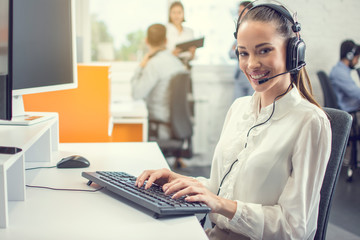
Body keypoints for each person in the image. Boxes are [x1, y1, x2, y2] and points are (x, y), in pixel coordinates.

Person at [136, 3, 332, 239]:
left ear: (293, 52)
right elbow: (222, 189)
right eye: (243, 53)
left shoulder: (310, 122)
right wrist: (182, 181)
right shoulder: (239, 109)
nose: (251, 65)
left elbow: (294, 229)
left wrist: (220, 204)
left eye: (264, 50)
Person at [131, 23, 186, 139]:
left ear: (147, 41)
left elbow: (136, 94)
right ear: (166, 41)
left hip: (159, 127)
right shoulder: (177, 62)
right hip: (176, 126)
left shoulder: (153, 65)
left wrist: (141, 66)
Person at [229, 1, 254, 100]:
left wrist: (239, 50)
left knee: (252, 105)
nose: (239, 15)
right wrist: (241, 51)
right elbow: (230, 53)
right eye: (239, 12)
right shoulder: (239, 30)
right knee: (237, 105)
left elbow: (251, 52)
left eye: (242, 12)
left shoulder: (256, 30)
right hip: (239, 75)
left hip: (252, 74)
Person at [329, 39, 360, 112]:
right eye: (357, 58)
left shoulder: (340, 70)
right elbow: (356, 93)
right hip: (345, 105)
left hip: (346, 102)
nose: (357, 62)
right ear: (350, 56)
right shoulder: (340, 73)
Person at [166, 1, 196, 68]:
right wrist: (172, 54)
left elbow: (192, 57)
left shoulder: (190, 32)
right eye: (174, 12)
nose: (176, 15)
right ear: (170, 14)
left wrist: (193, 53)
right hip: (171, 66)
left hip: (186, 66)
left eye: (179, 12)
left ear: (183, 14)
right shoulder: (165, 31)